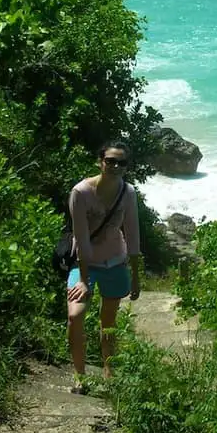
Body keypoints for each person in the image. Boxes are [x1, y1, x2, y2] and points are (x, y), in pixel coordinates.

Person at [66, 140, 141, 392]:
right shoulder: (81, 192)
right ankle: (80, 375)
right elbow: (81, 237)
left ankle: (109, 370)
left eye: (121, 162)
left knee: (108, 321)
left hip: (116, 261)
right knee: (75, 316)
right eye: (110, 161)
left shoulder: (128, 192)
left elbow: (132, 233)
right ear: (100, 162)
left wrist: (136, 274)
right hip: (84, 263)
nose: (116, 166)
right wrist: (83, 280)